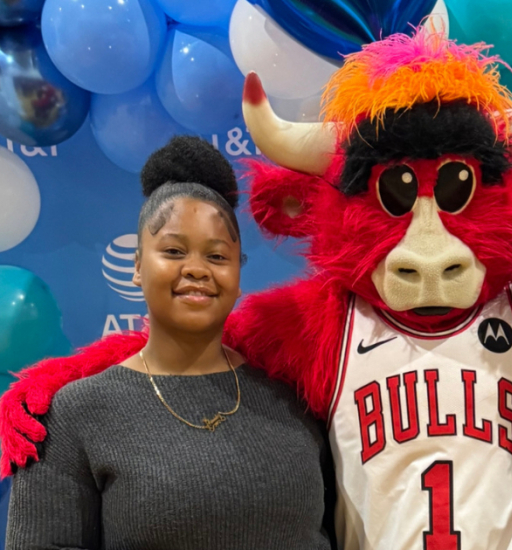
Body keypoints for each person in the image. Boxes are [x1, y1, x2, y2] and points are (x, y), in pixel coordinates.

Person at [5, 136, 334, 550]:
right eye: (174, 251)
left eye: (217, 256)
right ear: (137, 266)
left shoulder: (294, 397)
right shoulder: (74, 414)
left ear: (238, 273)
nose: (196, 269)